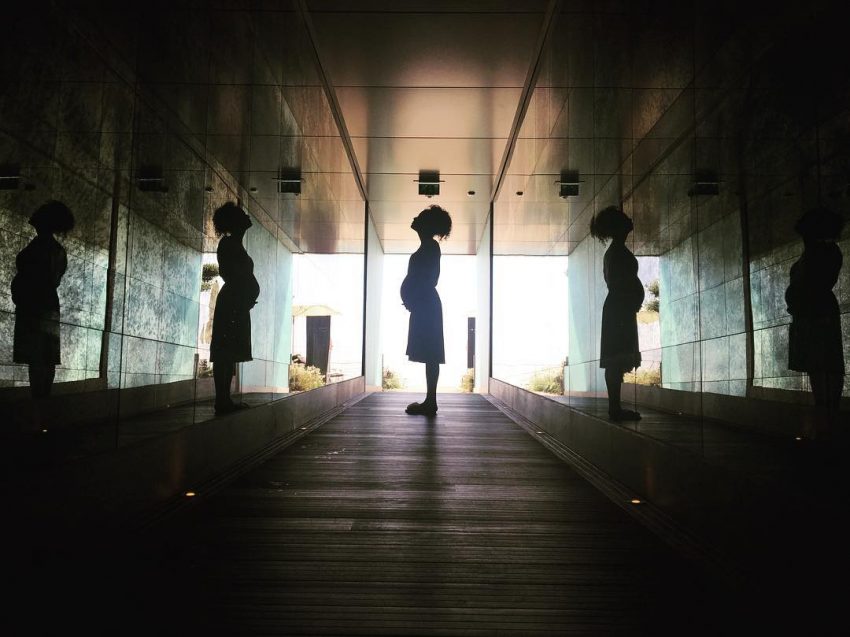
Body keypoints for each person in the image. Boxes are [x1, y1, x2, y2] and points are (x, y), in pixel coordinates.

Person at [785, 207, 845, 439]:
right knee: (820, 365)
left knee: (823, 365)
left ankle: (827, 418)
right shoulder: (822, 253)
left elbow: (811, 283)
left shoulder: (822, 253)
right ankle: (827, 417)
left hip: (815, 313)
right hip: (812, 313)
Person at [11, 200, 75, 400]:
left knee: (37, 357)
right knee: (46, 357)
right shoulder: (56, 250)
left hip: (34, 306)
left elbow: (33, 277)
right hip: (46, 306)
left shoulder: (40, 247)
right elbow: (53, 279)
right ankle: (42, 400)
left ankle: (38, 400)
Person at [589, 205, 644, 422]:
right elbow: (620, 284)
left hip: (620, 308)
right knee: (616, 358)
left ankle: (615, 407)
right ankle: (615, 408)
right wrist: (631, 301)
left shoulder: (615, 252)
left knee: (616, 358)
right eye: (624, 218)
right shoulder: (617, 253)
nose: (629, 219)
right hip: (619, 310)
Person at [400, 205, 452, 416]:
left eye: (419, 216)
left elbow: (431, 279)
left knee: (431, 352)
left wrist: (414, 298)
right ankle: (430, 401)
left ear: (426, 224)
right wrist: (412, 298)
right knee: (430, 351)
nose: (415, 218)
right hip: (424, 304)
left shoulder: (431, 246)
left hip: (426, 304)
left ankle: (431, 402)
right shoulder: (428, 247)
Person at [210, 202, 260, 415]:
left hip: (236, 303)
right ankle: (222, 400)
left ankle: (224, 399)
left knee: (228, 351)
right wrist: (242, 296)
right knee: (225, 351)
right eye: (242, 214)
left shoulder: (234, 244)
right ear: (235, 221)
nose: (247, 216)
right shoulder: (229, 244)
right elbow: (231, 274)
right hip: (233, 303)